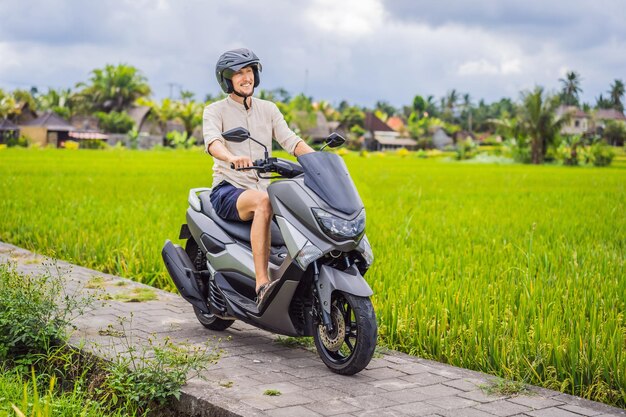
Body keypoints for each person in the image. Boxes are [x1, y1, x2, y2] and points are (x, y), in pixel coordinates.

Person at [202, 48, 315, 306]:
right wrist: (231, 158)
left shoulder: (268, 109)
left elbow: (290, 140)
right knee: (264, 203)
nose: (246, 77)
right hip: (228, 188)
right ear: (227, 79)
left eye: (250, 71)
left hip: (263, 187)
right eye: (239, 73)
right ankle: (262, 283)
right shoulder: (215, 111)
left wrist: (318, 161)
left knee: (295, 203)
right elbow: (213, 142)